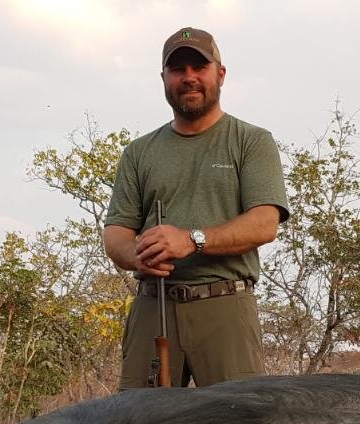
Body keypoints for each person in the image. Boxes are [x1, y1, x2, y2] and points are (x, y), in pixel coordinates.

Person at [103, 27, 289, 389]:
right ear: (164, 79)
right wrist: (138, 256)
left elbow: (265, 223)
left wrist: (192, 240)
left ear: (220, 74)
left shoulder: (251, 141)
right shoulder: (139, 153)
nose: (189, 77)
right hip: (153, 308)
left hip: (225, 307)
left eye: (199, 67)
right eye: (178, 69)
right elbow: (116, 235)